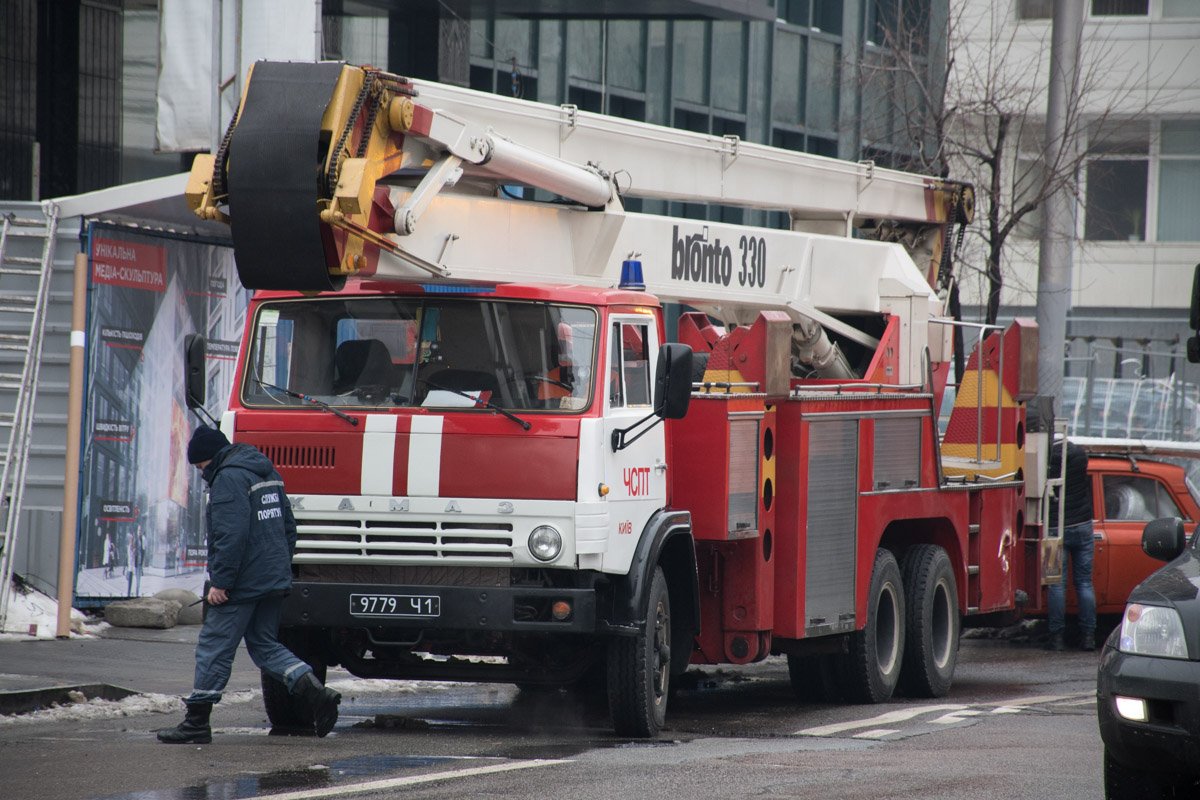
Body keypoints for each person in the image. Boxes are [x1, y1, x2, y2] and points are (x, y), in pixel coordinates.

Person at [157, 425, 341, 744]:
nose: (202, 474)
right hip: (272, 578)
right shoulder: (267, 472)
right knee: (264, 645)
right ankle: (315, 692)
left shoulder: (229, 478)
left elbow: (231, 535)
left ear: (210, 458)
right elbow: (288, 526)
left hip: (241, 583)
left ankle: (197, 722)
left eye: (201, 467)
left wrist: (221, 582)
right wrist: (277, 566)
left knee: (214, 647)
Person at [1046, 439, 1096, 652]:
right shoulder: (1080, 459)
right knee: (1084, 583)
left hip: (1056, 528)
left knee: (1056, 584)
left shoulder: (1051, 464)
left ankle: (1056, 638)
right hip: (1084, 526)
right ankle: (1088, 637)